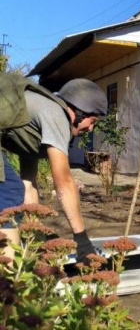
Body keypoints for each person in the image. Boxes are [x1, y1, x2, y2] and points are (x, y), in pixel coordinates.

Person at [0, 73, 108, 263]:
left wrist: (36, 236)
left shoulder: (35, 121)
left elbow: (29, 183)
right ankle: (7, 281)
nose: (90, 129)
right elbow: (64, 182)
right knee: (10, 193)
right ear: (79, 111)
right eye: (92, 121)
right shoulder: (56, 115)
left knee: (15, 190)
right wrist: (81, 240)